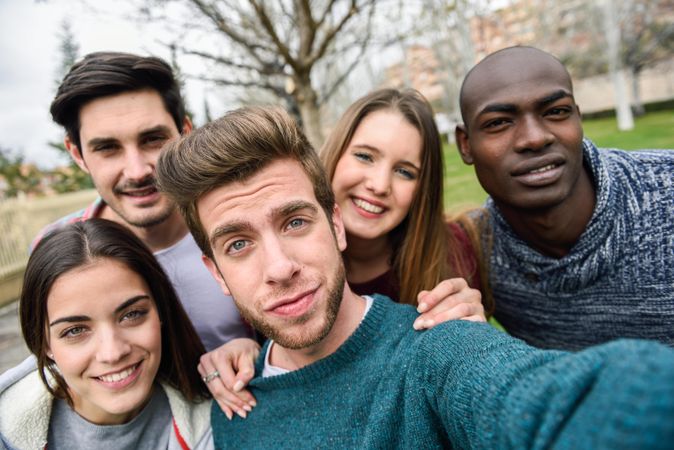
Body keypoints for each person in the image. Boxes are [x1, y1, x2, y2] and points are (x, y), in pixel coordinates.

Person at [155, 106, 674, 449]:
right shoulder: (231, 407)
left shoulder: (434, 352)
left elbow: (537, 398)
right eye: (238, 244)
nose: (279, 268)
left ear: (336, 224)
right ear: (216, 273)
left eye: (295, 222)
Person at [197, 89, 490, 417]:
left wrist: (470, 326)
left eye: (405, 171)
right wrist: (245, 349)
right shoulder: (272, 263)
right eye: (365, 156)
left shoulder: (454, 252)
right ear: (335, 155)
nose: (379, 184)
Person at [454, 46, 674, 350]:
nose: (534, 138)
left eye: (556, 112)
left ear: (578, 119)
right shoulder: (475, 251)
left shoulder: (666, 188)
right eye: (499, 122)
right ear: (465, 145)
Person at [33, 51, 254, 352]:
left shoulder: (244, 226)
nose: (137, 171)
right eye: (108, 148)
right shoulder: (52, 253)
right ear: (77, 154)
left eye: (153, 140)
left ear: (185, 135)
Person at [0, 219, 212, 449]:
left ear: (161, 310)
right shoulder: (7, 428)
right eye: (75, 330)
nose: (112, 353)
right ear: (44, 344)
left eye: (132, 314)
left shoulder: (215, 422)